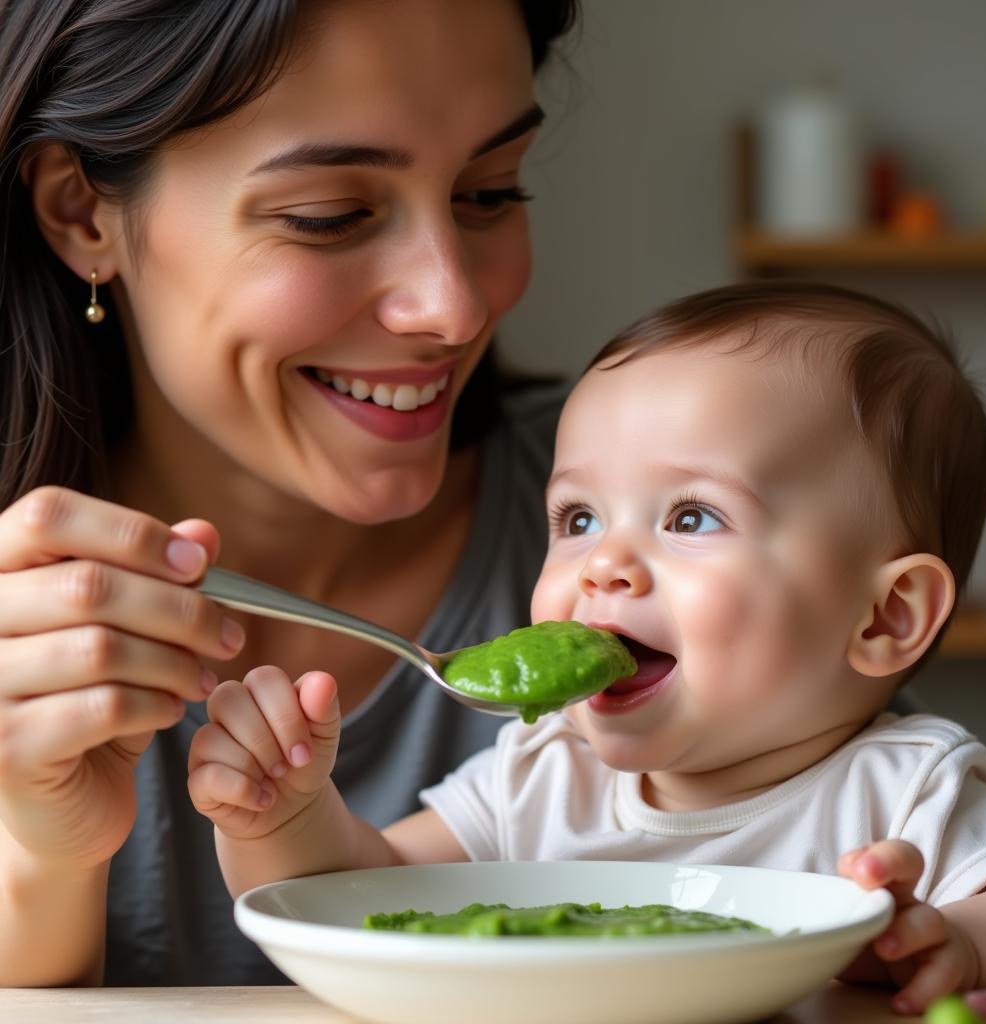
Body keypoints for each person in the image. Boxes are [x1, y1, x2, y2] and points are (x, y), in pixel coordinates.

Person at [189, 282, 986, 1016]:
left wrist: (955, 938)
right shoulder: (546, 772)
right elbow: (358, 891)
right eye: (578, 518)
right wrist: (289, 819)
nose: (605, 566)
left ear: (885, 618)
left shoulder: (909, 788)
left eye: (691, 517)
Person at [0, 0, 580, 987]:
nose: (453, 304)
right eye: (331, 216)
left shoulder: (679, 526)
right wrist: (41, 859)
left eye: (489, 192)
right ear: (81, 212)